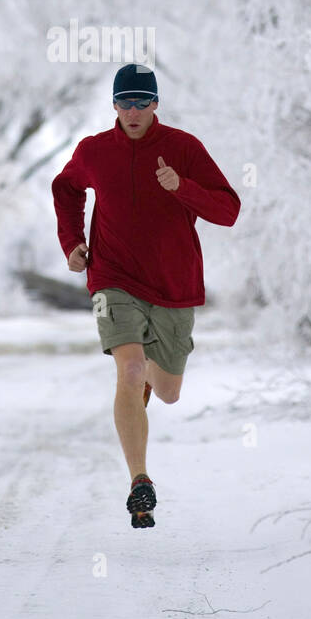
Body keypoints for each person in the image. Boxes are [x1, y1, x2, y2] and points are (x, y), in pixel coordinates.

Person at [51, 63, 240, 528]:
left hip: (173, 283)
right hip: (112, 278)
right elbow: (66, 187)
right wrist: (73, 242)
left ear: (156, 104)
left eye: (142, 101)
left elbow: (229, 210)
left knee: (169, 392)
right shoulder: (94, 151)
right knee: (130, 368)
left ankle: (152, 385)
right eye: (124, 102)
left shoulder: (184, 148)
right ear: (113, 105)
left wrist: (183, 188)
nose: (133, 110)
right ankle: (140, 481)